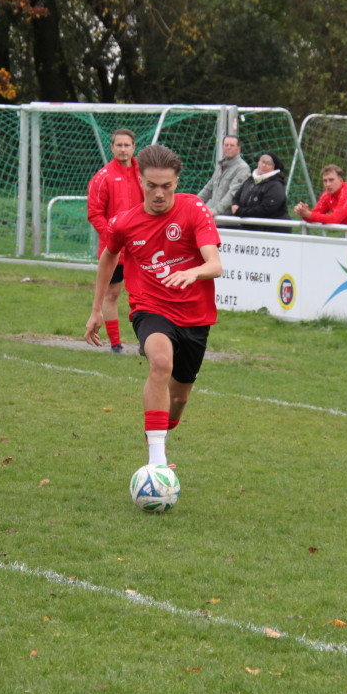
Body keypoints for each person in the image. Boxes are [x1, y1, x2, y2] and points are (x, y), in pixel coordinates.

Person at [84, 144, 222, 470]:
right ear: (141, 182)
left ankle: (163, 433)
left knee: (180, 398)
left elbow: (215, 264)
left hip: (195, 316)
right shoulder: (125, 223)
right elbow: (108, 257)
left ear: (177, 182)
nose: (159, 193)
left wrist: (193, 272)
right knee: (160, 363)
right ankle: (157, 462)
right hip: (150, 308)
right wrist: (96, 309)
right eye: (151, 185)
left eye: (166, 186)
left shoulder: (193, 208)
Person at [87, 128, 144, 354]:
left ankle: (147, 341)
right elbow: (95, 214)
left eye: (126, 145)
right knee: (112, 294)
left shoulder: (145, 175)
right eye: (118, 145)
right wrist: (113, 238)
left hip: (141, 248)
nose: (123, 149)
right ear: (112, 148)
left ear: (134, 147)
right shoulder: (103, 177)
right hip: (114, 250)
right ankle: (116, 344)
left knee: (144, 295)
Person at [231, 151, 290, 232]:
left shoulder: (276, 185)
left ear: (274, 167)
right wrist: (234, 204)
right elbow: (237, 195)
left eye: (268, 164)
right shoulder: (250, 180)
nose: (263, 165)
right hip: (251, 228)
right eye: (262, 161)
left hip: (271, 231)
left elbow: (266, 209)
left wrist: (240, 212)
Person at [293, 164, 347, 228]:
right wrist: (303, 213)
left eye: (331, 180)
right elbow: (314, 215)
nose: (328, 184)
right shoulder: (327, 194)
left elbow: (335, 219)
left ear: (341, 181)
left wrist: (309, 214)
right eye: (325, 181)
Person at [196, 135, 250, 217]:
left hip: (228, 219)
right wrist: (194, 204)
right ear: (222, 147)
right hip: (215, 217)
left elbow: (233, 193)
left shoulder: (243, 168)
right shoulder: (220, 166)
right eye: (226, 145)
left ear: (238, 149)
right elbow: (208, 188)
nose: (228, 148)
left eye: (232, 145)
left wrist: (215, 210)